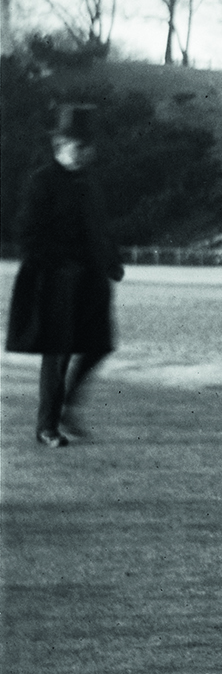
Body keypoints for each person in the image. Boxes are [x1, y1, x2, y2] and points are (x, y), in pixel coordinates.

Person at [5, 104, 124, 447]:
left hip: (89, 282)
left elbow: (99, 229)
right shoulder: (41, 181)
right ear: (60, 146)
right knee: (57, 354)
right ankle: (47, 427)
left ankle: (68, 408)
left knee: (99, 346)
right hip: (54, 281)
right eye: (78, 146)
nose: (85, 152)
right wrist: (58, 265)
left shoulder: (88, 182)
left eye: (88, 146)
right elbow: (27, 233)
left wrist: (112, 260)